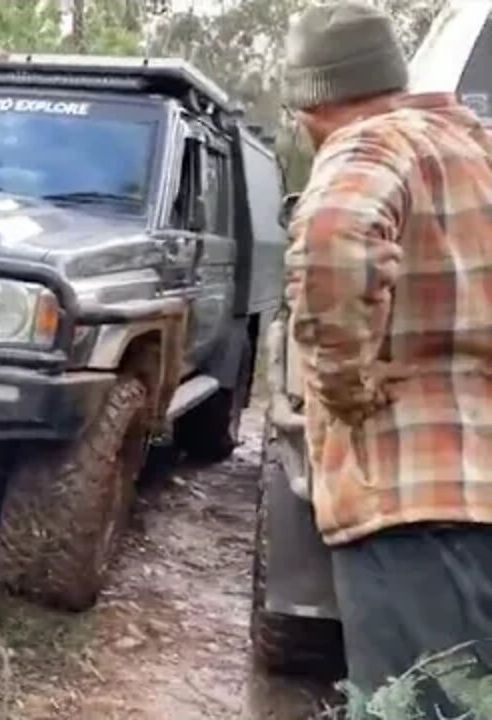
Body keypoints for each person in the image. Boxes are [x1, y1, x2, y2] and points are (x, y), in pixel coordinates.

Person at [281, 1, 492, 713]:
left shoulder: (370, 143)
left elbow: (337, 230)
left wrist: (346, 382)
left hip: (412, 510)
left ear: (313, 103)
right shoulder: (475, 155)